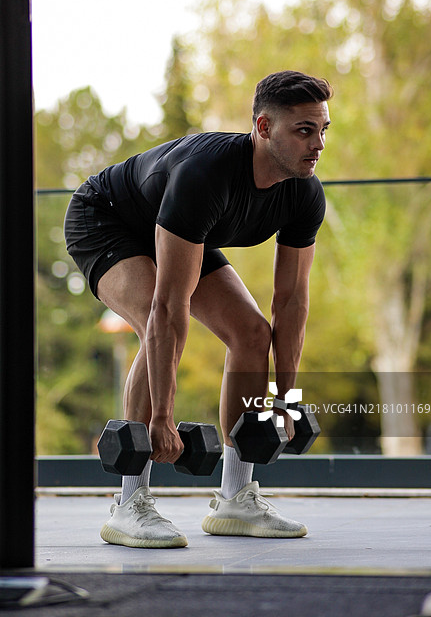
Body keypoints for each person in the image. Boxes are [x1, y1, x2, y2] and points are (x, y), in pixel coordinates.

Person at [64, 70, 332, 548]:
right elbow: (169, 308)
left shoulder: (303, 194)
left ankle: (236, 499)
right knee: (158, 318)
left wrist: (283, 401)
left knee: (251, 334)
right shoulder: (204, 175)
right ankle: (129, 503)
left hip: (184, 229)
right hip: (109, 218)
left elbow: (291, 302)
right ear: (264, 128)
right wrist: (162, 418)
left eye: (323, 130)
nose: (317, 144)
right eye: (304, 130)